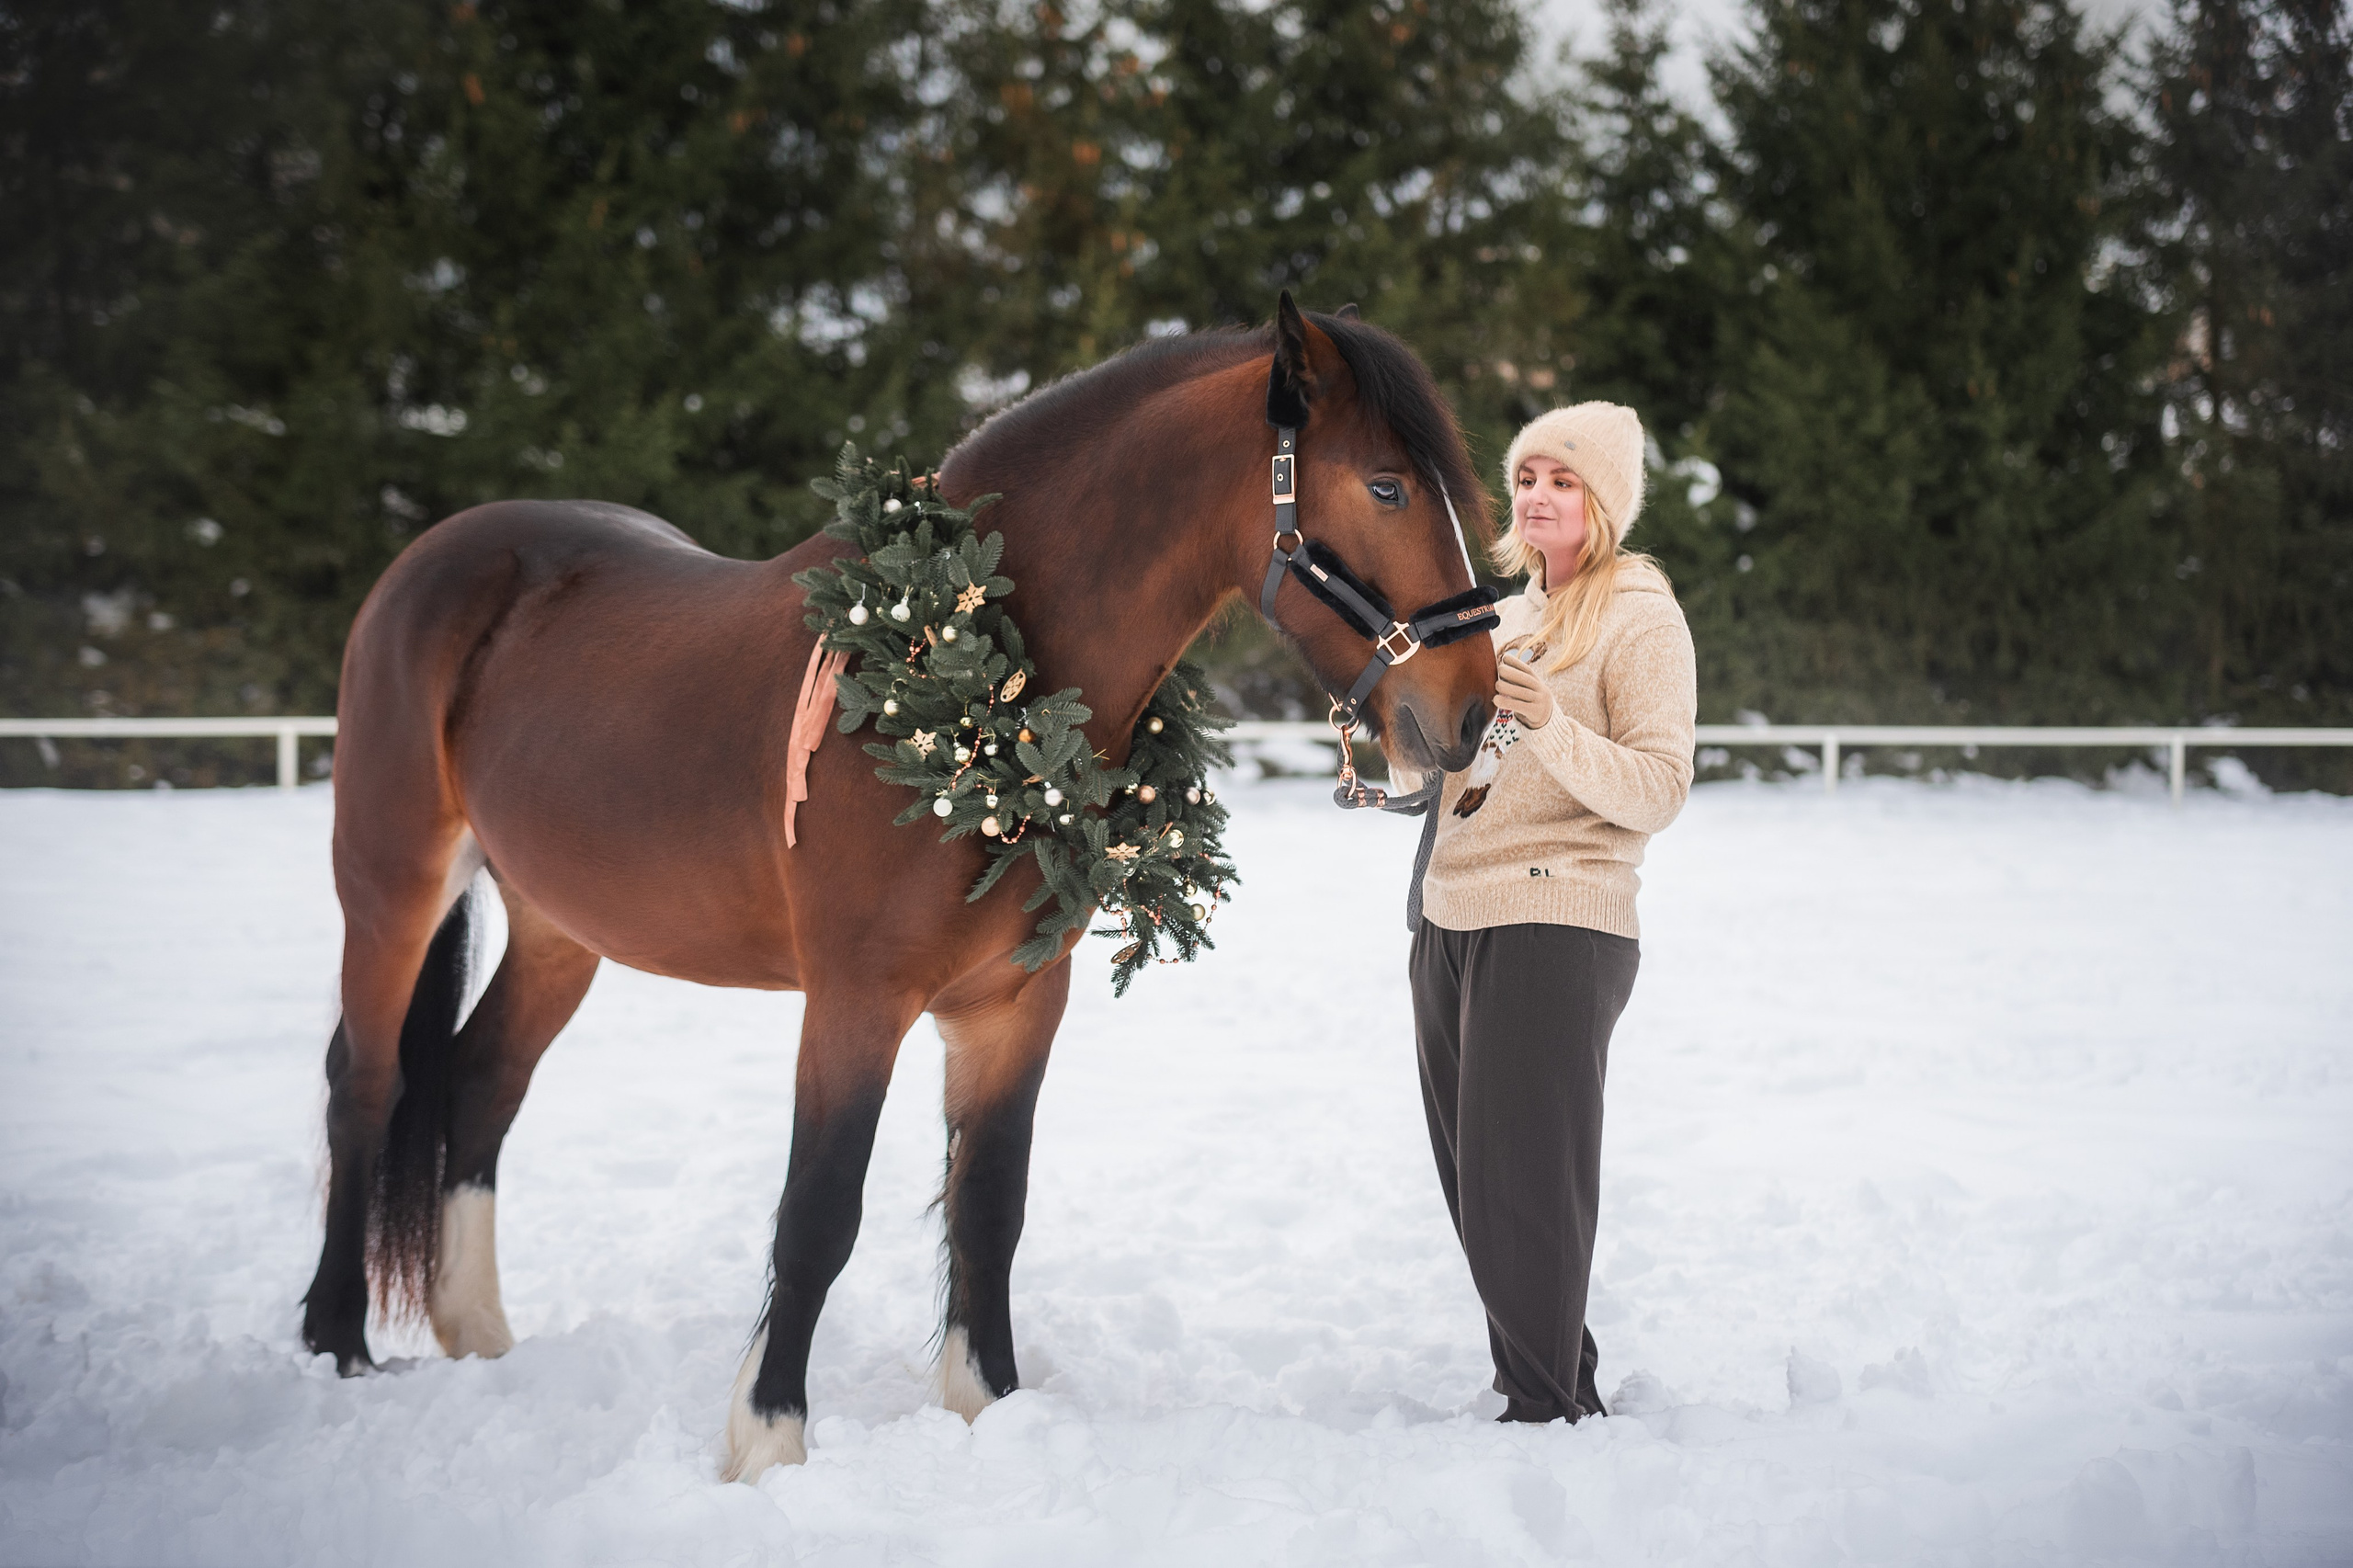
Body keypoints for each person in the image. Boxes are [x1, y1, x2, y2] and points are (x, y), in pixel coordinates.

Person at [1404, 402, 1696, 1424]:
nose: (1535, 496)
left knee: (1523, 1179)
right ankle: (1547, 1378)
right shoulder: (1501, 612)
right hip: (1451, 909)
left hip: (1559, 914)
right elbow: (1449, 763)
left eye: (1561, 481)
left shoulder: (1639, 612)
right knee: (1474, 1179)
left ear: (1602, 500)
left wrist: (1549, 721)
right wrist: (1391, 732)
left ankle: (1545, 1413)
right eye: (1526, 477)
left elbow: (1659, 786)